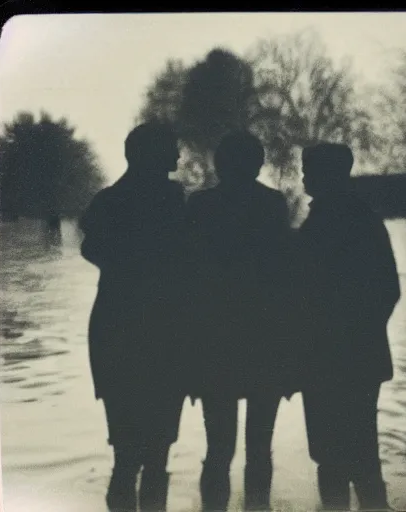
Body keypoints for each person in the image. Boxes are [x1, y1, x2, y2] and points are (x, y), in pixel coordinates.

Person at [79, 121, 189, 512]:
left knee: (125, 457)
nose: (179, 155)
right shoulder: (174, 203)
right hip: (164, 336)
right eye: (172, 149)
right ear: (153, 155)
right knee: (157, 457)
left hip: (114, 333)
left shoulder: (106, 203)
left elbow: (92, 251)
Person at [186, 130, 294, 511]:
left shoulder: (199, 207)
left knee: (218, 448)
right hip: (264, 339)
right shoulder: (273, 205)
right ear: (258, 164)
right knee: (260, 448)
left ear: (219, 164)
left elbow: (189, 283)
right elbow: (284, 280)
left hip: (215, 341)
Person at [298, 143, 400, 511]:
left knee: (330, 457)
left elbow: (301, 296)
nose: (303, 176)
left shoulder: (317, 226)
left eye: (308, 170)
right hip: (363, 357)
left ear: (324, 176)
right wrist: (365, 333)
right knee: (363, 452)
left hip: (323, 360)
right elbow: (389, 289)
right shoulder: (367, 219)